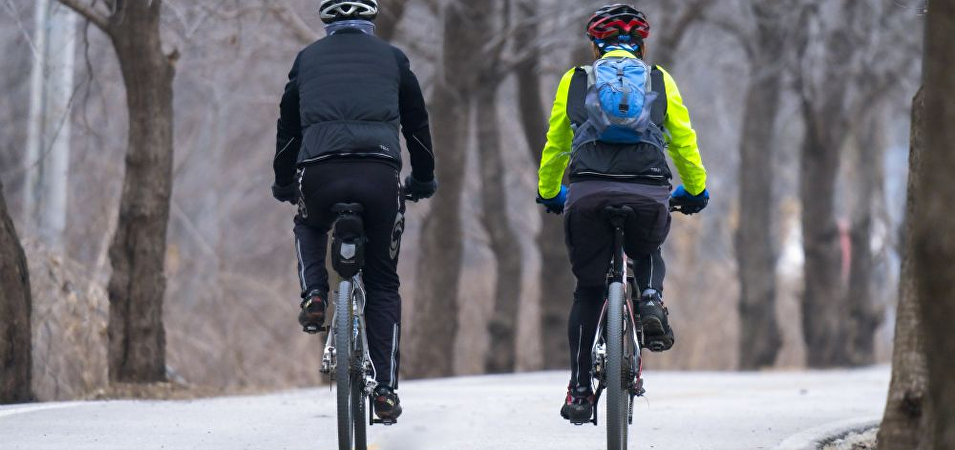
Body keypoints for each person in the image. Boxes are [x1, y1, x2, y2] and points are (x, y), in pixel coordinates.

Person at [535, 4, 710, 423]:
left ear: (596, 45)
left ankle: (579, 390)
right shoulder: (659, 80)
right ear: (640, 45)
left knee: (588, 290)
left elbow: (557, 142)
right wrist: (697, 189)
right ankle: (649, 299)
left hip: (589, 191)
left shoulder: (575, 80)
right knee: (647, 245)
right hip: (648, 189)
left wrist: (549, 192)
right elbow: (682, 140)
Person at [271, 0, 437, 421]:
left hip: (320, 173)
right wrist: (423, 179)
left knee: (308, 225)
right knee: (382, 283)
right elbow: (417, 124)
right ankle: (384, 389)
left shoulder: (306, 59)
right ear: (370, 20)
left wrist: (284, 180)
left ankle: (314, 294)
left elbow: (288, 127)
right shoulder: (394, 58)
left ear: (326, 22)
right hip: (379, 175)